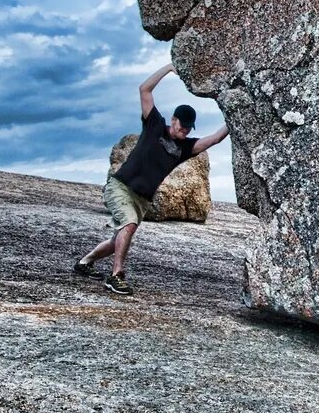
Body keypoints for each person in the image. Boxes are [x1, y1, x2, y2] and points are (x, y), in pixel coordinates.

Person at [73, 62, 229, 296]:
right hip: (121, 187)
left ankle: (84, 263)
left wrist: (235, 113)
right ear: (174, 120)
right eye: (182, 126)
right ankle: (116, 276)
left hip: (142, 200)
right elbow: (144, 89)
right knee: (129, 224)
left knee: (118, 238)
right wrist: (168, 68)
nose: (185, 131)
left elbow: (215, 138)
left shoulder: (185, 147)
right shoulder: (154, 124)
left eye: (189, 128)